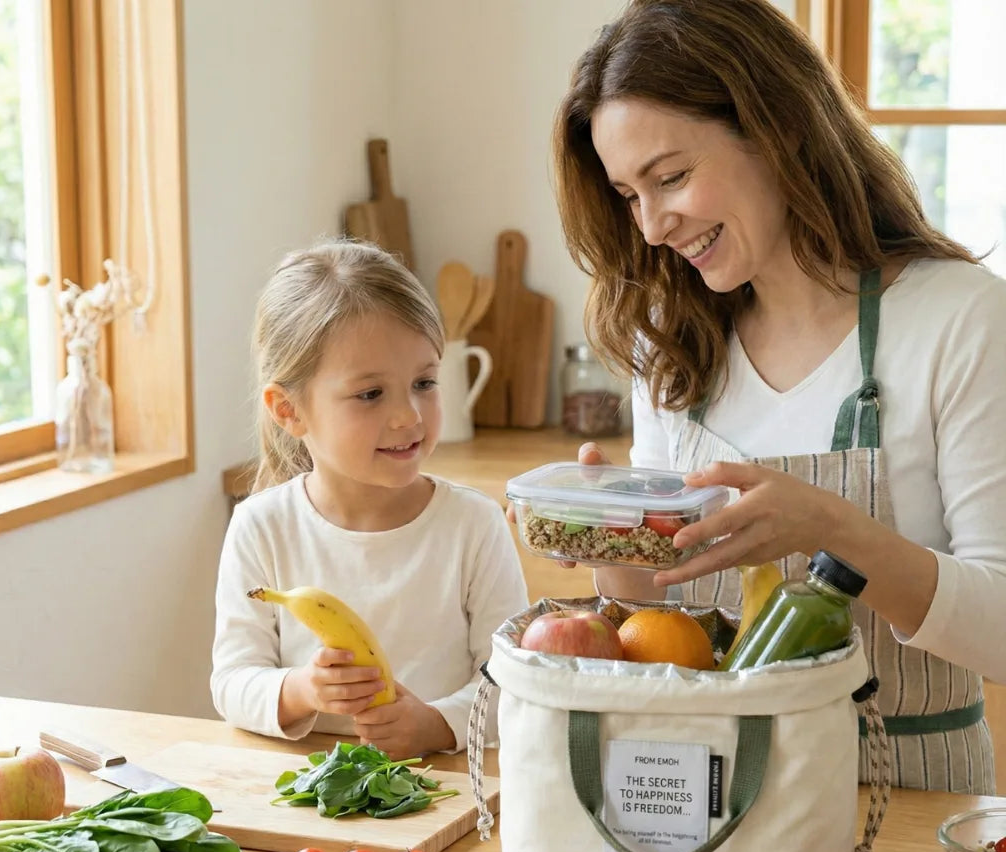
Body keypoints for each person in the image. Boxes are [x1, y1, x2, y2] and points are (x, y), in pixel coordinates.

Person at [551, 0, 1006, 793]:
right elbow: (667, 628)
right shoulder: (672, 338)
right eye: (629, 195)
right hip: (716, 796)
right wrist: (613, 550)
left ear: (777, 128)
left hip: (903, 794)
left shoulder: (959, 318)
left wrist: (835, 530)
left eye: (672, 177)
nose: (653, 226)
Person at [211, 239, 529, 760]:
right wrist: (300, 691)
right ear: (289, 410)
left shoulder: (472, 525)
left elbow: (512, 683)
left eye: (424, 382)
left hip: (442, 792)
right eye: (371, 394)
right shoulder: (260, 527)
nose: (410, 415)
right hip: (309, 797)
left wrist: (436, 725)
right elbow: (231, 682)